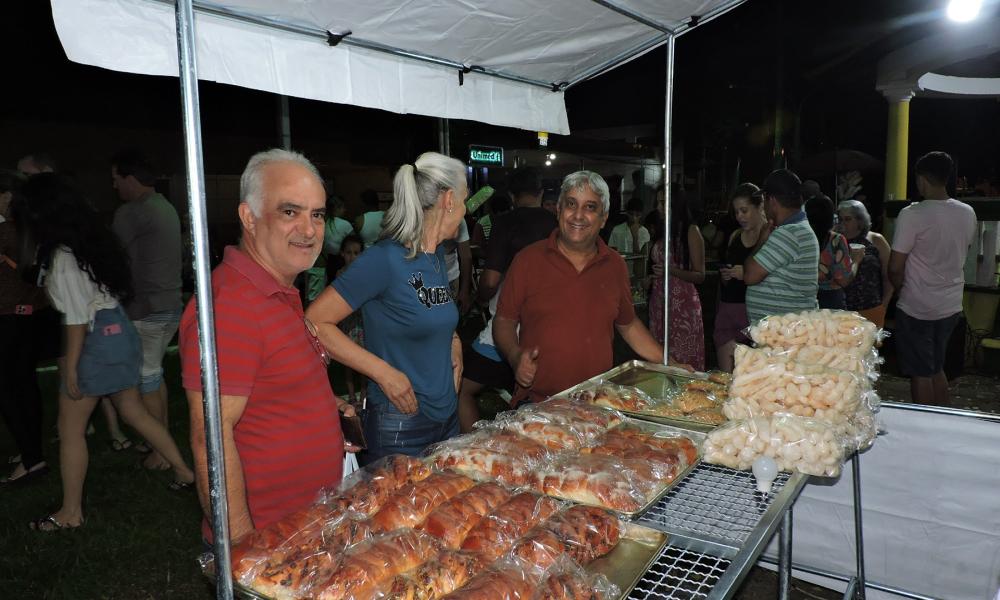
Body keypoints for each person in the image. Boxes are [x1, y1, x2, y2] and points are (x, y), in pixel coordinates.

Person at [180, 149, 354, 543]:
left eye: (318, 214)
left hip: (308, 525)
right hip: (271, 541)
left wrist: (327, 411)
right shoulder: (232, 306)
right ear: (249, 217)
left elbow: (270, 382)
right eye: (290, 212)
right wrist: (244, 550)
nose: (309, 230)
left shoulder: (278, 288)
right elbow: (211, 436)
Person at [19, 174, 194, 531]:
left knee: (71, 429)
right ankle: (186, 470)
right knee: (133, 410)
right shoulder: (89, 244)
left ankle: (70, 513)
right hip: (119, 332)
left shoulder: (64, 256)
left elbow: (77, 320)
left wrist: (70, 371)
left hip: (97, 339)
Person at [307, 152, 466, 461]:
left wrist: (454, 339)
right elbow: (314, 322)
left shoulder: (436, 258)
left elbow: (431, 313)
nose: (465, 211)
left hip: (447, 416)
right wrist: (384, 373)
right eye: (463, 201)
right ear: (448, 200)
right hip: (401, 424)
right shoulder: (384, 259)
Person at [493, 171, 691, 407]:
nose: (578, 215)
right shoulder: (528, 259)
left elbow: (628, 324)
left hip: (596, 402)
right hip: (536, 402)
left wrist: (670, 363)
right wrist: (515, 357)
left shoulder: (615, 264)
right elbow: (504, 319)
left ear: (604, 217)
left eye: (589, 207)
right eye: (570, 204)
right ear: (558, 210)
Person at [458, 166, 557, 431]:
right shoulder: (557, 225)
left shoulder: (504, 224)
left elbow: (490, 282)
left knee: (463, 389)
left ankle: (474, 452)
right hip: (551, 324)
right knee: (539, 401)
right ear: (540, 192)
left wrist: (479, 299)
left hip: (508, 324)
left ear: (511, 196)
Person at [110, 149, 184, 470]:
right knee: (154, 373)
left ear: (129, 178)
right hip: (170, 304)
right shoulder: (165, 207)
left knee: (147, 377)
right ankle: (159, 439)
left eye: (115, 180)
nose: (114, 187)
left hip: (147, 307)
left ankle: (161, 454)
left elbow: (109, 255)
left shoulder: (132, 212)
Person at [888, 151, 977, 407]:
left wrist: (899, 290)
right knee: (937, 366)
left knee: (921, 372)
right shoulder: (967, 212)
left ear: (921, 179)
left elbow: (895, 267)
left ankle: (924, 424)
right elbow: (964, 253)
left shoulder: (913, 214)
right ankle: (942, 418)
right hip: (950, 305)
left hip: (918, 306)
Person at [0, 171, 62, 485]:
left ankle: (32, 459)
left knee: (7, 388)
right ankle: (30, 449)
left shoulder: (7, 231)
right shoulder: (37, 231)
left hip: (8, 319)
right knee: (25, 384)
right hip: (33, 316)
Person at [743, 169, 820, 323]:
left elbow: (750, 275)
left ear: (772, 201)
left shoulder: (789, 233)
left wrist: (762, 241)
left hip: (786, 334)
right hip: (787, 331)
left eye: (764, 201)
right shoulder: (799, 229)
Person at [647, 184, 706, 371]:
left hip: (683, 309)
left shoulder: (691, 231)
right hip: (660, 307)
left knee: (683, 362)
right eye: (657, 203)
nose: (658, 208)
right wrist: (652, 277)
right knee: (659, 359)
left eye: (663, 203)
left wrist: (670, 271)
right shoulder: (665, 231)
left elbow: (700, 275)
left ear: (676, 204)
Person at [715, 183, 764, 373]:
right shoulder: (735, 235)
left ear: (760, 207)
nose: (740, 217)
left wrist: (746, 273)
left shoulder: (770, 236)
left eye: (744, 211)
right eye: (736, 212)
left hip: (753, 313)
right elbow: (727, 278)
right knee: (727, 378)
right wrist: (727, 275)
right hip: (728, 310)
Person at [836, 199, 892, 327]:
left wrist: (883, 306)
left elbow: (888, 277)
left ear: (860, 221)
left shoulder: (875, 239)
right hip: (842, 310)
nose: (843, 224)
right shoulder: (836, 242)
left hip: (871, 306)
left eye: (848, 219)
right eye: (840, 219)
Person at [804, 194, 858, 310]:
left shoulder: (802, 238)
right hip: (832, 299)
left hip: (806, 298)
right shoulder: (836, 240)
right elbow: (843, 281)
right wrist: (856, 261)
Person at [334, 234, 367, 405]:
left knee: (363, 360)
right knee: (349, 362)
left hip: (360, 324)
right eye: (349, 253)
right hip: (348, 324)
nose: (352, 257)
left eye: (356, 253)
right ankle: (352, 394)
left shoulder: (364, 275)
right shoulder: (340, 274)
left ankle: (364, 393)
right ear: (342, 254)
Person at [442, 217, 472, 314]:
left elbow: (466, 257)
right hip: (425, 278)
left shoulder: (459, 220)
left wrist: (464, 290)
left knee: (450, 316)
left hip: (450, 276)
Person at [470, 193, 511, 262]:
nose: (502, 220)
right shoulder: (481, 224)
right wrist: (494, 258)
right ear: (492, 213)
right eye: (499, 217)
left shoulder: (509, 222)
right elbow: (475, 249)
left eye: (505, 216)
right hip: (486, 266)